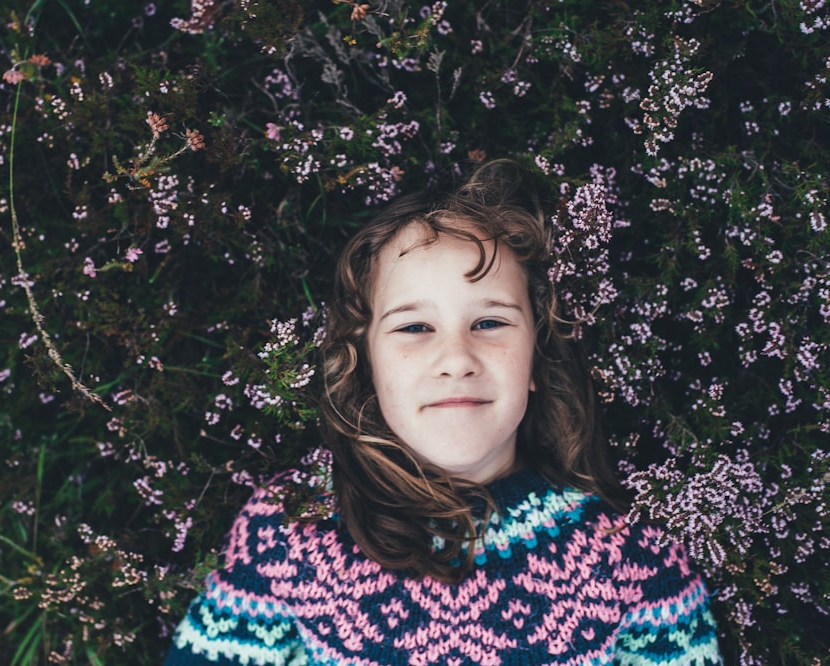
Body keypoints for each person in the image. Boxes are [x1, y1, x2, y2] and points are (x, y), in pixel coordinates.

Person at [163, 160, 723, 665]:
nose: (456, 359)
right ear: (367, 363)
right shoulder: (288, 530)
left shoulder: (633, 551)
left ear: (535, 357)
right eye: (414, 327)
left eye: (490, 322)